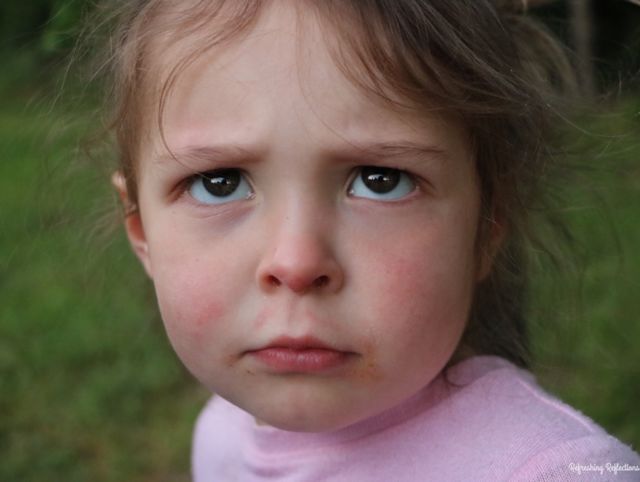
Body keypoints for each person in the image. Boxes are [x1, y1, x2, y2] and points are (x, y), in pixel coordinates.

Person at [103, 0, 640, 480]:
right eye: (219, 183)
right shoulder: (221, 438)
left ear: (487, 226)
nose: (296, 261)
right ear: (142, 231)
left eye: (380, 180)